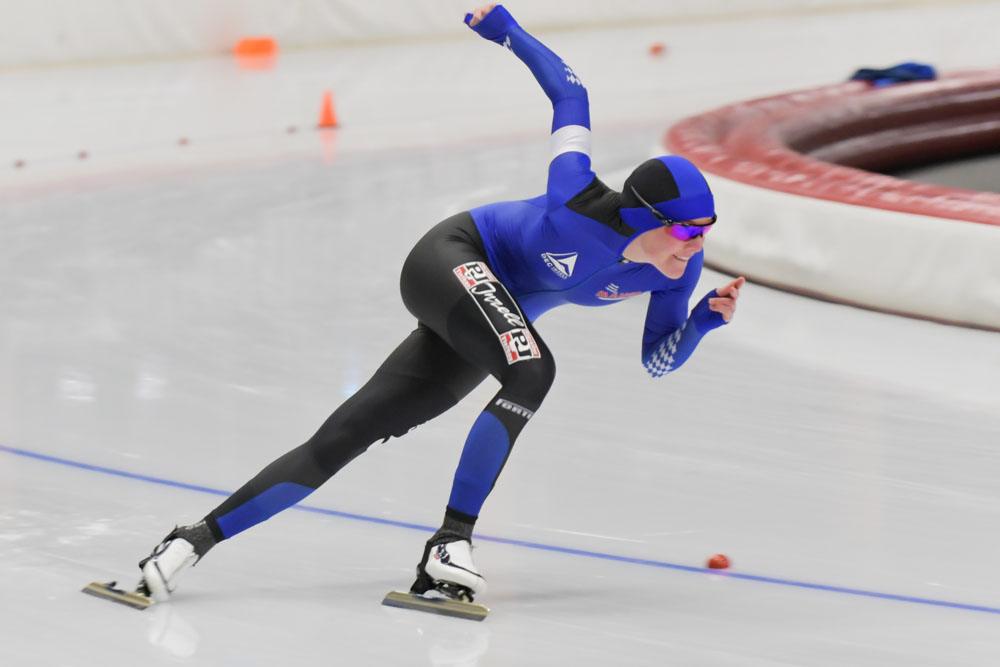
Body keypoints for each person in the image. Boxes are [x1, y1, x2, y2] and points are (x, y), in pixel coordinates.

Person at [135, 4, 745, 605]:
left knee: (351, 432)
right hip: (450, 256)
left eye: (708, 229)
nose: (698, 245)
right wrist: (509, 32)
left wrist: (698, 325)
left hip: (485, 312)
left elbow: (657, 363)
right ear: (646, 218)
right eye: (689, 230)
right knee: (532, 368)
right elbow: (570, 96)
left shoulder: (677, 269)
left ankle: (191, 541)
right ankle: (451, 542)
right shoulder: (574, 200)